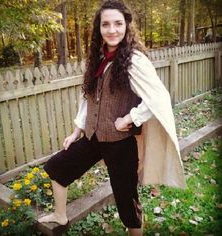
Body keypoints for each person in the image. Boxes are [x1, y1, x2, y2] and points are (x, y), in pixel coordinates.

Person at [38, 0, 186, 235]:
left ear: (127, 25)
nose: (112, 29)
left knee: (126, 200)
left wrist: (129, 118)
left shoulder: (134, 60)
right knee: (57, 167)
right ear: (99, 28)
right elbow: (88, 97)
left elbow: (159, 98)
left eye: (118, 23)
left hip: (120, 143)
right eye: (106, 24)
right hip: (94, 137)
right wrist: (76, 130)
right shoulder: (98, 58)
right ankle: (60, 215)